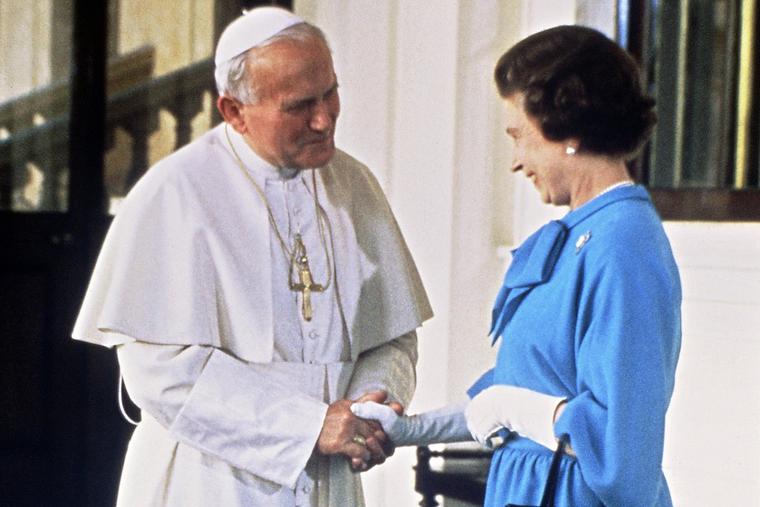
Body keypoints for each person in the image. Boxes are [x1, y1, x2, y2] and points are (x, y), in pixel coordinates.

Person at [72, 6, 432, 506]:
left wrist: (369, 408)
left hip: (329, 479)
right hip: (210, 478)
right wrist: (309, 426)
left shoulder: (356, 186)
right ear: (234, 112)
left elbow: (392, 337)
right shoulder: (175, 193)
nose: (324, 118)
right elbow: (160, 372)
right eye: (299, 105)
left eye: (330, 92)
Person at [352, 25, 681, 506]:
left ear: (567, 129)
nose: (515, 161)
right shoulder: (577, 234)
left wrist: (513, 407)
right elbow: (513, 396)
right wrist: (409, 429)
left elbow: (622, 451)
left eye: (519, 136)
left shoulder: (624, 245)